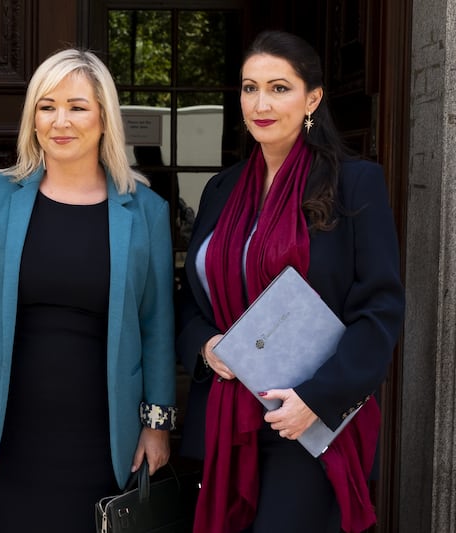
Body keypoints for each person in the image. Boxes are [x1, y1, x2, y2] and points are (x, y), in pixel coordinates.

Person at [176, 30, 404, 533]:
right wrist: (207, 344)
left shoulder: (354, 182)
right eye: (249, 88)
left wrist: (318, 401)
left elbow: (380, 311)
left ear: (312, 98)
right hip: (227, 423)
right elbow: (191, 298)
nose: (260, 103)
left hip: (308, 426)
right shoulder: (222, 187)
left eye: (279, 88)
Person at [0, 48, 177, 533]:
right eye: (46, 106)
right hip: (11, 421)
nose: (60, 121)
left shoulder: (145, 209)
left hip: (102, 425)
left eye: (77, 106)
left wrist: (156, 422)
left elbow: (156, 322)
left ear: (105, 118)